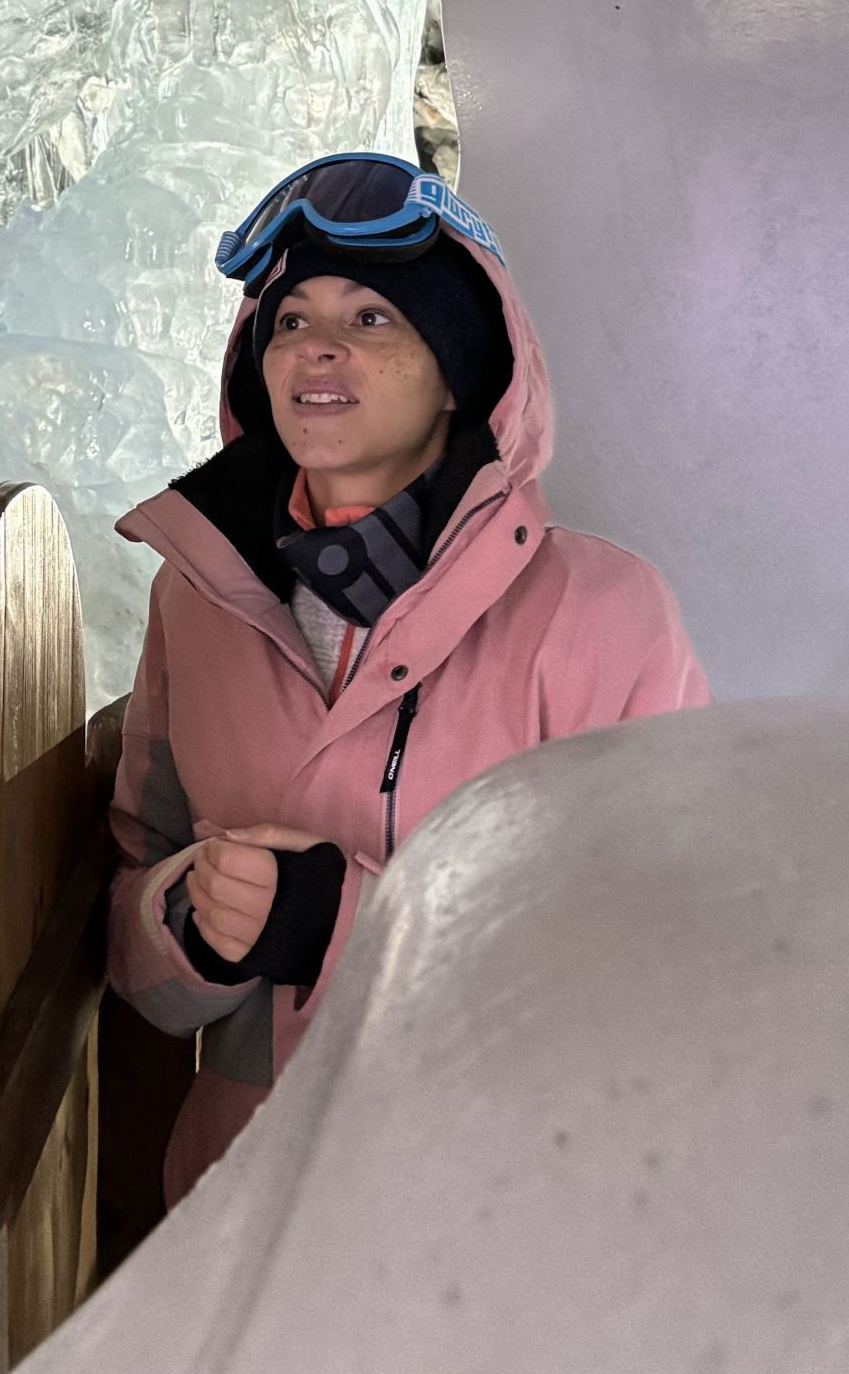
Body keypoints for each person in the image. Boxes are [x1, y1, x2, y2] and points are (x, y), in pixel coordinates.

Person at [108, 152, 709, 1204]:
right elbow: (129, 915)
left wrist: (339, 924)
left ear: (457, 371)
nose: (317, 346)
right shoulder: (193, 599)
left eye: (372, 317)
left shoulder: (604, 615)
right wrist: (192, 926)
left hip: (493, 1225)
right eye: (289, 319)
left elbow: (665, 963)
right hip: (234, 1215)